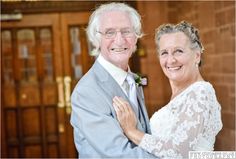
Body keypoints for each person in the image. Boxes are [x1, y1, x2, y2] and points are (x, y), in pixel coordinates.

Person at [113, 21, 223, 159]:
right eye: (164, 53)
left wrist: (131, 131)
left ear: (197, 56)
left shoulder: (200, 92)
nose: (170, 60)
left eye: (178, 51)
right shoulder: (183, 94)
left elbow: (179, 153)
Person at [70, 2, 156, 158]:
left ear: (136, 36)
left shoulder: (133, 78)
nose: (120, 40)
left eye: (126, 31)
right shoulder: (87, 92)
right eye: (109, 32)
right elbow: (120, 154)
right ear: (97, 39)